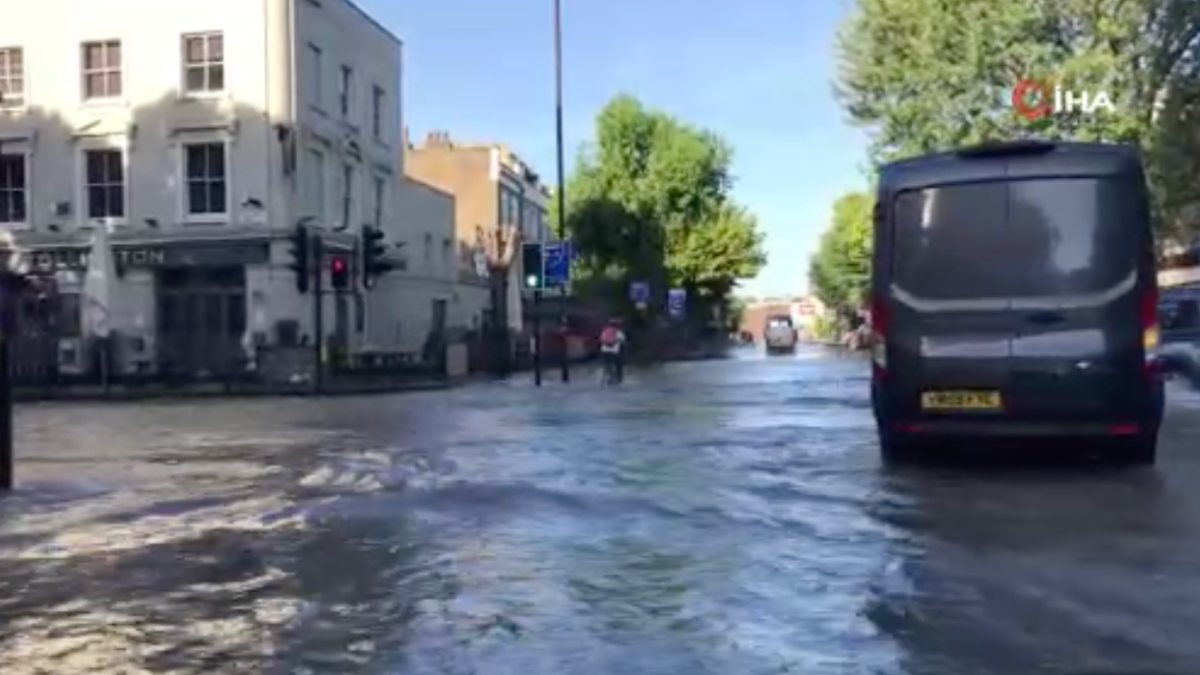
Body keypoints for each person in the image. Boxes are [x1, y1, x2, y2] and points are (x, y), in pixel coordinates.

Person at [598, 318, 626, 384]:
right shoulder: (618, 332)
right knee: (618, 365)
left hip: (605, 351)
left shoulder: (604, 332)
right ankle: (619, 379)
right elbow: (623, 341)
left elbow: (601, 340)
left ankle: (607, 378)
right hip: (614, 351)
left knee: (607, 365)